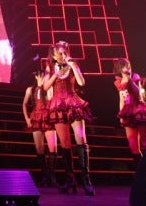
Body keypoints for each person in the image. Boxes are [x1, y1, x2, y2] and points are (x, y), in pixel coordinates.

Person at [44, 41, 95, 195]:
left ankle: (86, 180)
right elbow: (45, 87)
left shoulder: (73, 65)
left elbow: (82, 82)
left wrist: (73, 66)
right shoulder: (50, 67)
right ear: (54, 55)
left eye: (65, 52)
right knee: (65, 144)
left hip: (73, 102)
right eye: (60, 53)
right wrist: (55, 74)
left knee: (81, 139)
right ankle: (70, 179)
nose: (63, 55)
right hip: (58, 105)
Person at [113, 58, 146, 170]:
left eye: (128, 65)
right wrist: (121, 115)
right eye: (124, 66)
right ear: (119, 68)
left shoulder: (135, 76)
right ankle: (141, 170)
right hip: (128, 112)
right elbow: (121, 99)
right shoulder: (118, 81)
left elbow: (139, 94)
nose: (127, 68)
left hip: (139, 109)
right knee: (132, 144)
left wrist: (129, 79)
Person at [22, 69, 57, 187]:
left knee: (53, 148)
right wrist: (27, 118)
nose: (43, 78)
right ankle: (44, 176)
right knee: (39, 148)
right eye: (41, 76)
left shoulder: (49, 89)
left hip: (49, 118)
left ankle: (52, 177)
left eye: (45, 76)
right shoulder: (30, 89)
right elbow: (24, 104)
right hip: (36, 118)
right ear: (36, 77)